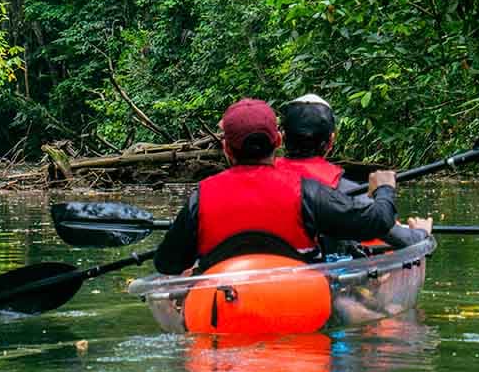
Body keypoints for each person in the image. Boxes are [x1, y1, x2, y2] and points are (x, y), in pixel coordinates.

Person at [154, 98, 400, 275]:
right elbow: (378, 221)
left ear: (226, 148)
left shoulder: (201, 197)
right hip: (298, 305)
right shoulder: (307, 192)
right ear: (278, 141)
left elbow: (167, 264)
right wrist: (384, 188)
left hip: (221, 309)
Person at [277, 93, 433, 247]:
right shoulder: (349, 192)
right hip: (323, 269)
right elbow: (403, 238)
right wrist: (421, 232)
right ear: (331, 141)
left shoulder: (260, 181)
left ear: (282, 138)